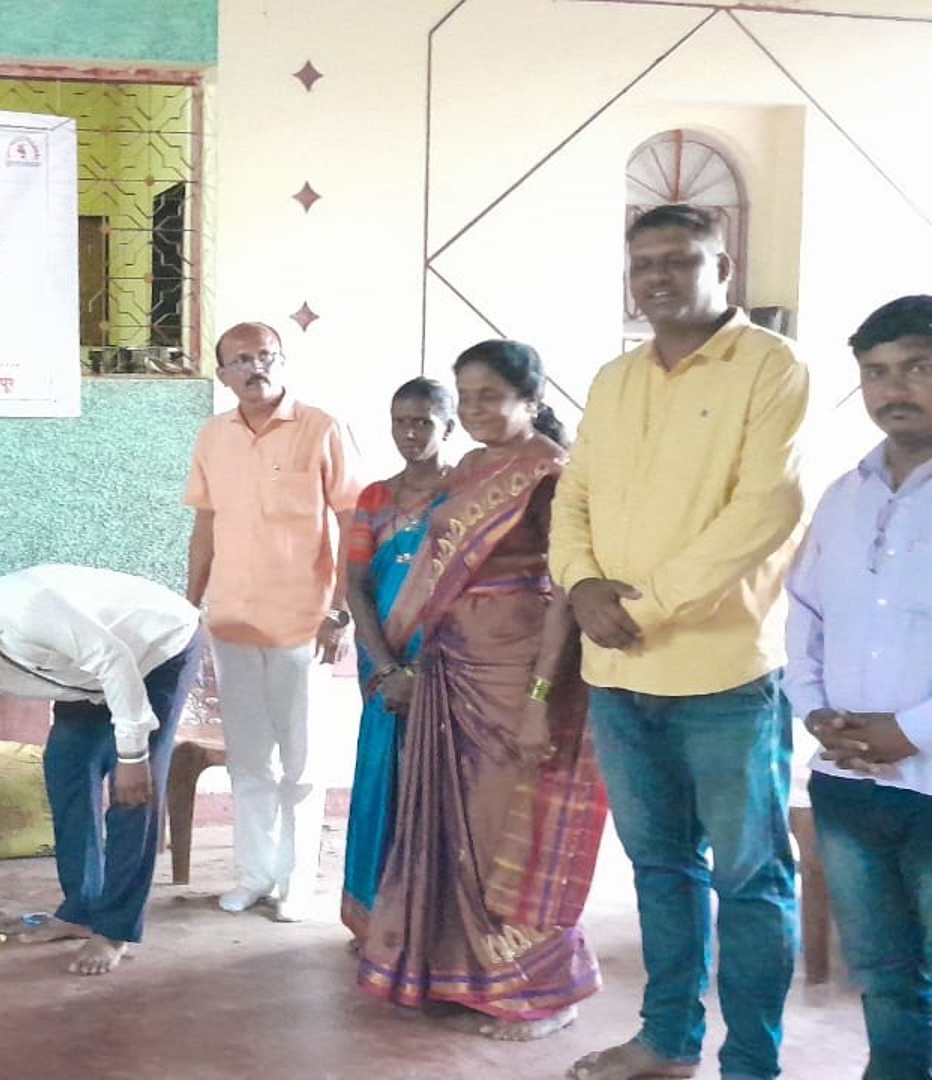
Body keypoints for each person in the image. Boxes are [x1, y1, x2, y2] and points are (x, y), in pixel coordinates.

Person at [555, 204, 808, 1080]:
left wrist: (648, 606)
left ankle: (753, 1062)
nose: (657, 277)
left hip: (724, 677)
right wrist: (580, 585)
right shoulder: (616, 379)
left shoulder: (771, 367)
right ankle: (667, 1041)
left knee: (750, 879)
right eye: (643, 263)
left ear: (721, 267)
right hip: (618, 674)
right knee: (660, 870)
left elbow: (766, 510)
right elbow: (574, 495)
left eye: (678, 259)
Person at [357, 340, 607, 1040]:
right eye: (464, 397)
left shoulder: (551, 473)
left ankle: (545, 994)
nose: (473, 410)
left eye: (489, 396)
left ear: (531, 400)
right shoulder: (468, 467)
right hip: (452, 668)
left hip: (519, 672)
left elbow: (564, 592)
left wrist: (540, 699)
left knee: (509, 833)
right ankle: (464, 976)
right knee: (451, 828)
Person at [0, 565, 207, 977]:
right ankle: (80, 909)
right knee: (65, 766)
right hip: (86, 678)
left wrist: (132, 756)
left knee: (133, 792)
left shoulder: (25, 608)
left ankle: (115, 930)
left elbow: (113, 659)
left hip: (156, 649)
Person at [785, 295, 932, 1080]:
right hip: (851, 783)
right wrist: (815, 711)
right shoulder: (845, 495)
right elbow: (804, 612)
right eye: (876, 373)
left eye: (917, 368)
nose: (893, 389)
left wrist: (911, 731)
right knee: (883, 974)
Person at [184, 321, 360, 923]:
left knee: (303, 765)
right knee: (249, 760)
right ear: (222, 374)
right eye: (241, 360)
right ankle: (254, 875)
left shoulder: (321, 428)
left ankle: (296, 882)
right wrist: (190, 606)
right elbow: (205, 526)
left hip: (304, 623)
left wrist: (341, 610)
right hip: (232, 621)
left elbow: (353, 522)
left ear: (282, 362)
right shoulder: (213, 436)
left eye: (265, 356)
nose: (255, 368)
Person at [340, 376, 454, 944]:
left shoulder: (465, 498)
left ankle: (434, 926)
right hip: (383, 667)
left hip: (450, 669)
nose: (410, 434)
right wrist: (386, 667)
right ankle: (376, 922)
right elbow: (356, 585)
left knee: (441, 791)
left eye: (423, 423)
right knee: (380, 783)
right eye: (400, 422)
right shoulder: (374, 500)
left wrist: (427, 670)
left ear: (448, 427)